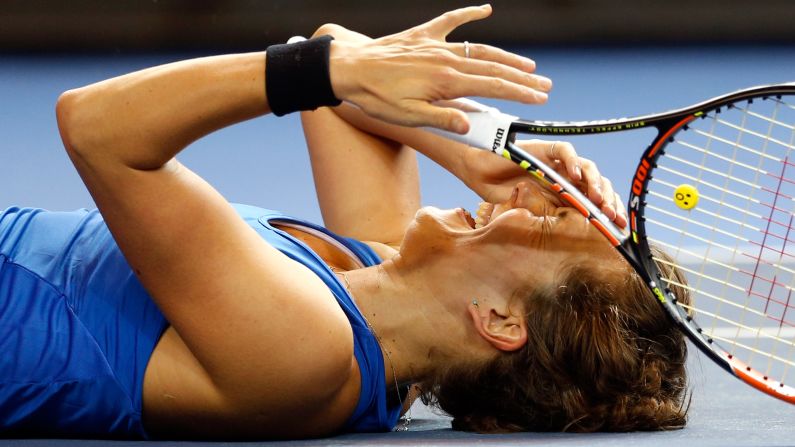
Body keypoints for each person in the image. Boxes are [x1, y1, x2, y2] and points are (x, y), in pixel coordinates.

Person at [0, 4, 689, 440]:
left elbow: (97, 127)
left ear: (501, 321)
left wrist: (324, 69)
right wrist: (480, 153)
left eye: (551, 226)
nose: (534, 200)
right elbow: (341, 84)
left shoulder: (305, 351)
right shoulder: (380, 269)